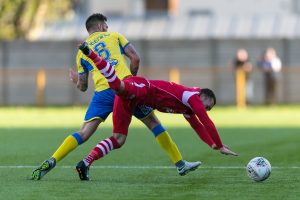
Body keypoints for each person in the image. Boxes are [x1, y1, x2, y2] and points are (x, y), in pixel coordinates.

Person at [31, 13, 200, 180]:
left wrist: (76, 80)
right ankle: (180, 164)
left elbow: (82, 87)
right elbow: (135, 58)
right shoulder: (114, 36)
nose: (107, 28)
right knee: (153, 123)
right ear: (99, 26)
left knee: (83, 132)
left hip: (102, 94)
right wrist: (132, 80)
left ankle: (53, 159)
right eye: (105, 25)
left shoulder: (81, 52)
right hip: (125, 89)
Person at [75, 42, 238, 181]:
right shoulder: (193, 97)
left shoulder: (188, 108)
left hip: (139, 101)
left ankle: (86, 162)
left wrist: (214, 145)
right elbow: (206, 121)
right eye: (207, 105)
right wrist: (220, 144)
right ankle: (91, 53)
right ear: (202, 95)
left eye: (208, 108)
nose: (206, 109)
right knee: (119, 87)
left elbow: (198, 126)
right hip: (144, 89)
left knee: (119, 139)